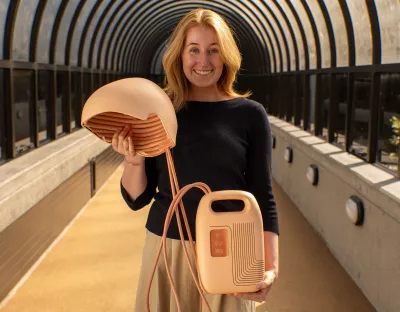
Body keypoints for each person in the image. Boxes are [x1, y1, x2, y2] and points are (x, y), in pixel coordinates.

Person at [113, 8, 279, 312]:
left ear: (226, 56)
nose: (204, 61)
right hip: (167, 246)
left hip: (233, 246)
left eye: (213, 50)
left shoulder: (250, 115)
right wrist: (134, 162)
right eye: (194, 50)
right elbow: (138, 199)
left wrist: (271, 266)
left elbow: (262, 196)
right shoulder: (159, 109)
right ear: (179, 55)